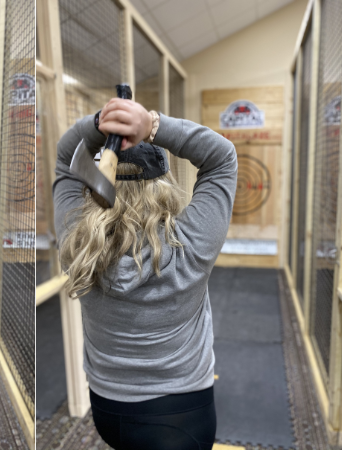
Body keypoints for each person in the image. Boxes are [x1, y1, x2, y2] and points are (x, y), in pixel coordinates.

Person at [54, 97, 237, 450]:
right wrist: (151, 125)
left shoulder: (77, 244)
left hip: (107, 409)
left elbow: (65, 157)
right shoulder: (191, 244)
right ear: (162, 183)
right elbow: (221, 157)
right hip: (180, 417)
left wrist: (100, 125)